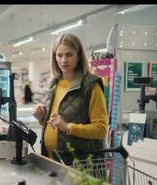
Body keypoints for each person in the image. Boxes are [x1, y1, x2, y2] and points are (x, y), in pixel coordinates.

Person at [32, 33, 108, 166]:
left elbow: (101, 130)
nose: (63, 60)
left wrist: (68, 127)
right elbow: (56, 120)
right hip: (51, 160)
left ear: (78, 56)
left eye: (69, 55)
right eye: (59, 55)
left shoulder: (91, 85)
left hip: (79, 165)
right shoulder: (53, 84)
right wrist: (42, 117)